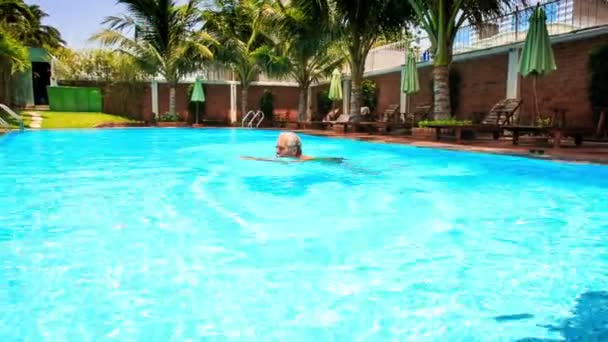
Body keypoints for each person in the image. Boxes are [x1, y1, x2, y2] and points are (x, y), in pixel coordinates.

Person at [241, 132, 343, 163]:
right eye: (276, 147)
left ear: (294, 151)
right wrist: (253, 158)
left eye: (281, 148)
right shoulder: (281, 159)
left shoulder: (308, 161)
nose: (277, 151)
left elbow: (332, 160)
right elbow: (266, 159)